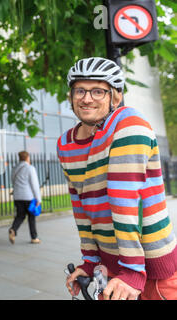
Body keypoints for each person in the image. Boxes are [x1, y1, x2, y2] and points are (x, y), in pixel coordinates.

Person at [58, 57, 177, 300]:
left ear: (116, 97)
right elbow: (81, 209)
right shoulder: (65, 143)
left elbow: (122, 197)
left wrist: (133, 270)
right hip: (110, 264)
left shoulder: (129, 124)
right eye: (80, 90)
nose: (87, 98)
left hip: (150, 262)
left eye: (98, 91)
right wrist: (90, 261)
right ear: (71, 96)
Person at [9, 151, 41, 244]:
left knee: (20, 216)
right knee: (31, 217)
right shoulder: (30, 168)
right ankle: (34, 237)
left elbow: (13, 181)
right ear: (27, 158)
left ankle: (13, 229)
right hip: (28, 196)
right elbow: (34, 184)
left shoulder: (15, 168)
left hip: (17, 197)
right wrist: (38, 198)